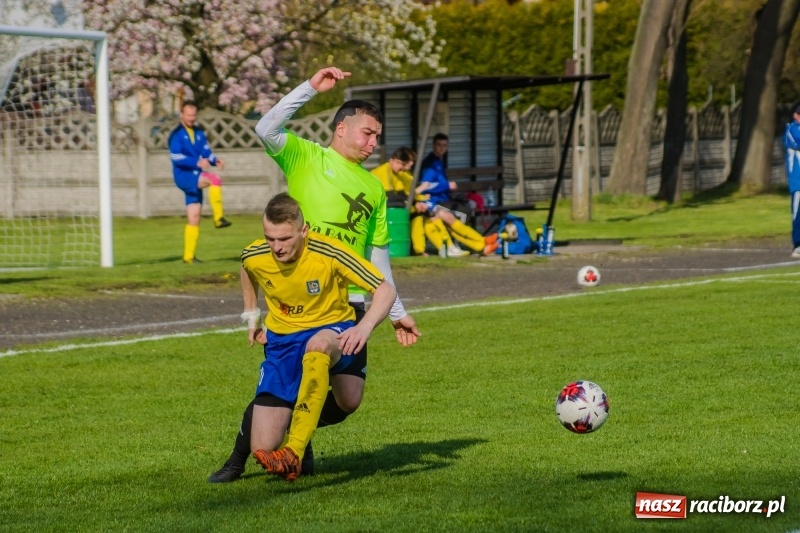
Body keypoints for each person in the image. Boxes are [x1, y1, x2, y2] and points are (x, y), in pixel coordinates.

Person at [207, 67, 421, 483]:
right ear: (341, 129)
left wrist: (397, 314)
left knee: (349, 400)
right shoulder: (306, 157)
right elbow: (266, 127)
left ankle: (295, 430)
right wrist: (309, 88)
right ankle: (240, 456)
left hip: (349, 303)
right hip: (299, 303)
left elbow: (378, 259)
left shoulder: (373, 188)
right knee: (286, 391)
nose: (374, 143)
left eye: (377, 136)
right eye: (367, 133)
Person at [241, 193, 396, 482]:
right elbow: (247, 268)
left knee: (320, 349)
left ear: (304, 231)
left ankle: (295, 450)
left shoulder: (330, 252)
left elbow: (385, 289)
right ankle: (299, 426)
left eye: (284, 239)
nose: (276, 247)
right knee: (262, 446)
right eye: (270, 238)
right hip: (282, 341)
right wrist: (251, 316)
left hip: (331, 328)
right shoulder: (255, 254)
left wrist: (363, 328)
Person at [168, 100, 231, 264]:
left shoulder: (199, 133)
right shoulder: (176, 135)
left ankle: (188, 257)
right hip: (184, 176)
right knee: (214, 179)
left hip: (196, 175)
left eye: (193, 115)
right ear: (181, 115)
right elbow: (176, 157)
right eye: (188, 115)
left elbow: (206, 152)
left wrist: (215, 160)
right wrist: (196, 162)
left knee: (194, 217)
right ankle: (219, 218)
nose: (191, 118)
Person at [418, 133, 497, 255]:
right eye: (439, 145)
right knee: (461, 215)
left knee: (460, 213)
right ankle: (466, 245)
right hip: (433, 202)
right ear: (433, 145)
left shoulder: (439, 161)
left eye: (444, 145)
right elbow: (425, 186)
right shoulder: (430, 164)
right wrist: (447, 186)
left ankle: (481, 244)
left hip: (441, 200)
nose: (442, 148)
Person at [783, 102, 800, 258]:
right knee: (798, 213)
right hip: (798, 181)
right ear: (795, 115)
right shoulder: (791, 129)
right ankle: (797, 245)